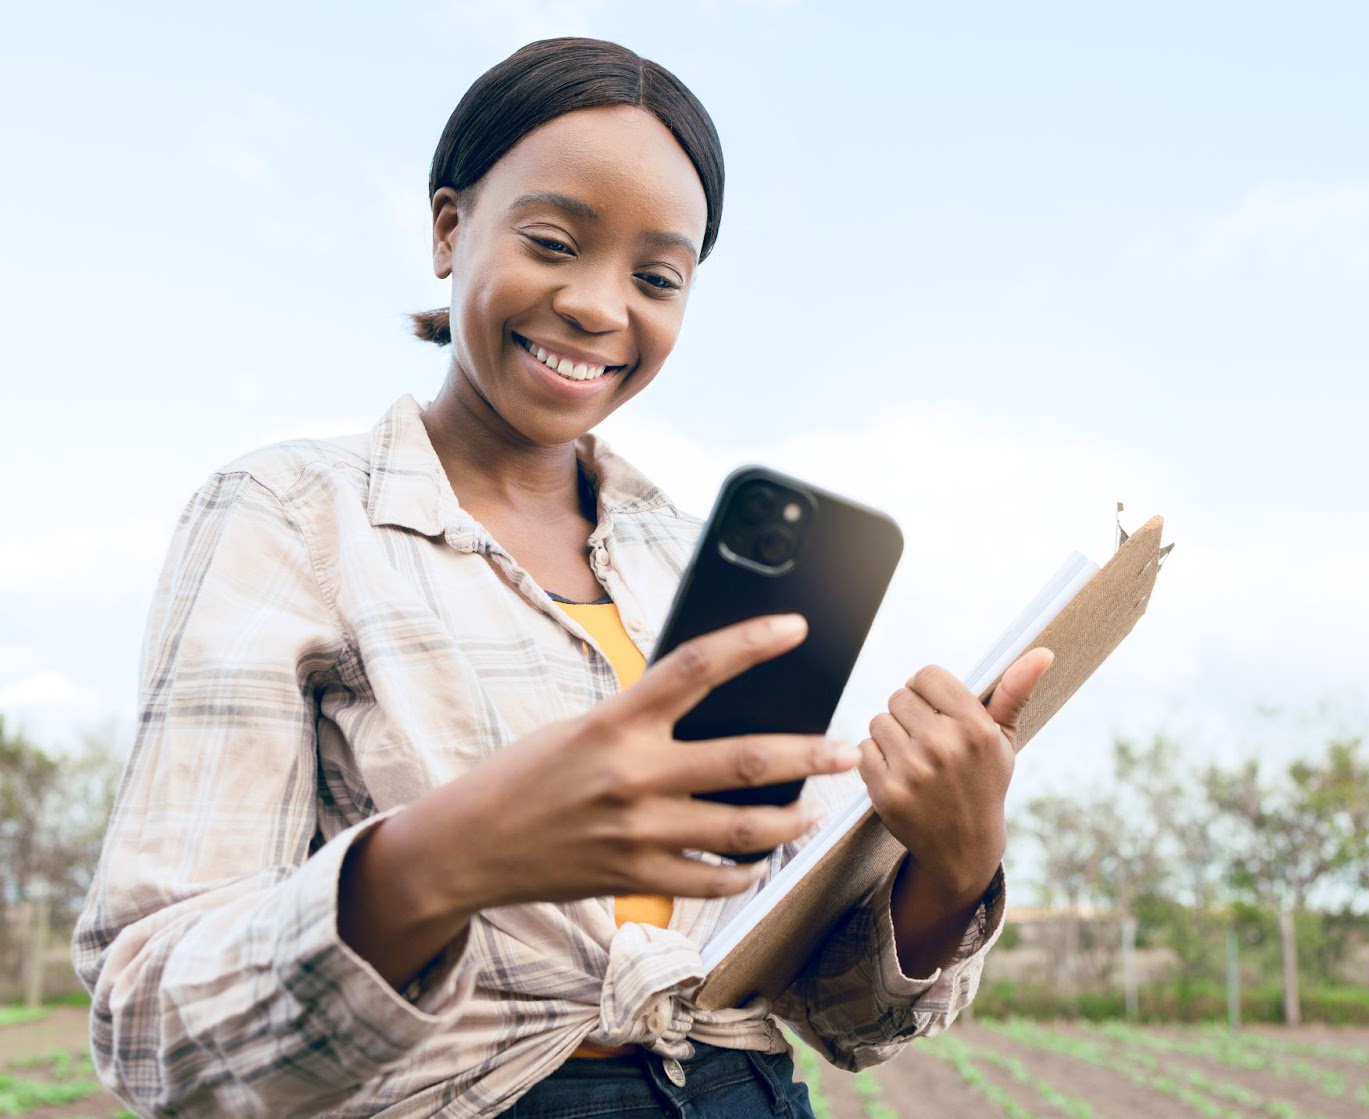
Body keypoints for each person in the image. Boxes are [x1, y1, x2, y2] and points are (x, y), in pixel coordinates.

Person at [73, 37, 1053, 1119]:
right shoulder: (287, 518)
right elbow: (152, 1028)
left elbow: (836, 1012)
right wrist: (443, 859)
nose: (598, 306)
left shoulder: (692, 560)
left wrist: (950, 865)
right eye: (553, 242)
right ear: (449, 230)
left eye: (655, 277)